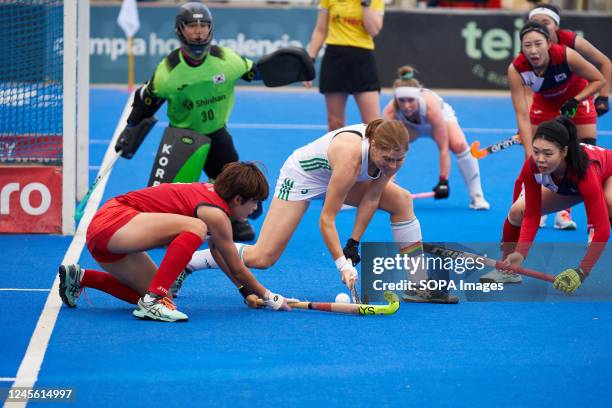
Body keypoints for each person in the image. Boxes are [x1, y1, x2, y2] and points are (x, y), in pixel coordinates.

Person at [178, 119, 458, 304]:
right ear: (373, 146)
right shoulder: (350, 159)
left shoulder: (390, 154)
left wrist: (353, 243)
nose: (394, 165)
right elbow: (327, 219)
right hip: (303, 177)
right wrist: (342, 264)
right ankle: (192, 261)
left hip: (336, 177)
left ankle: (419, 284)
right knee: (263, 257)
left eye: (400, 159)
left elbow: (372, 198)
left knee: (401, 200)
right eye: (387, 159)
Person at [114, 2, 306, 242]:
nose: (198, 31)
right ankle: (173, 225)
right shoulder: (167, 73)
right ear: (180, 30)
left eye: (203, 26)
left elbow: (256, 72)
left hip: (217, 133)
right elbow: (148, 102)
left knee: (245, 195)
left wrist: (296, 71)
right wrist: (130, 131)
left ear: (210, 29)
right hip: (182, 138)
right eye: (192, 26)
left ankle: (235, 220)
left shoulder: (226, 59)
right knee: (164, 203)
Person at [57, 162, 291, 322]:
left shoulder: (212, 198)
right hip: (114, 221)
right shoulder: (216, 215)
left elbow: (221, 256)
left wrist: (245, 292)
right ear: (238, 198)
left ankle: (81, 278)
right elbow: (238, 267)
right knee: (195, 228)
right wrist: (270, 296)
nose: (255, 209)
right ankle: (153, 301)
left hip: (108, 235)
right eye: (254, 202)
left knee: (163, 292)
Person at [480, 116, 611, 288]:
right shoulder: (533, 165)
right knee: (518, 211)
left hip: (605, 176)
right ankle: (508, 270)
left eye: (548, 153)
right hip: (574, 185)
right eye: (536, 151)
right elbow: (532, 213)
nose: (540, 159)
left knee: (609, 203)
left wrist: (581, 272)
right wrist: (521, 252)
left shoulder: (585, 170)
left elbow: (602, 229)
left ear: (564, 152)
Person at [507, 21, 606, 232]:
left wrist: (577, 100)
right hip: (544, 103)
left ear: (549, 43)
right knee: (540, 157)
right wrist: (528, 152)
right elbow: (522, 114)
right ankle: (535, 209)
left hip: (574, 100)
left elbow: (598, 79)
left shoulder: (566, 54)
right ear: (521, 48)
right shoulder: (517, 69)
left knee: (581, 158)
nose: (533, 50)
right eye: (527, 45)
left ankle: (568, 214)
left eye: (538, 44)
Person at [382, 65, 490, 210]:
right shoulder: (390, 112)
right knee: (393, 145)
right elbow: (385, 151)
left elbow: (443, 149)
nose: (407, 106)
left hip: (440, 119)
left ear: (417, 98)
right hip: (412, 128)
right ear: (396, 99)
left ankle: (477, 197)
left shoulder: (432, 108)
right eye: (402, 101)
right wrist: (386, 183)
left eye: (411, 100)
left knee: (459, 145)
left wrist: (443, 180)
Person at [306, 0, 384, 131]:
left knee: (374, 125)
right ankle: (337, 151)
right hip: (335, 59)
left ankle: (375, 152)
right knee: (335, 123)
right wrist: (309, 61)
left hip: (362, 60)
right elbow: (320, 31)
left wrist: (365, 4)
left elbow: (374, 30)